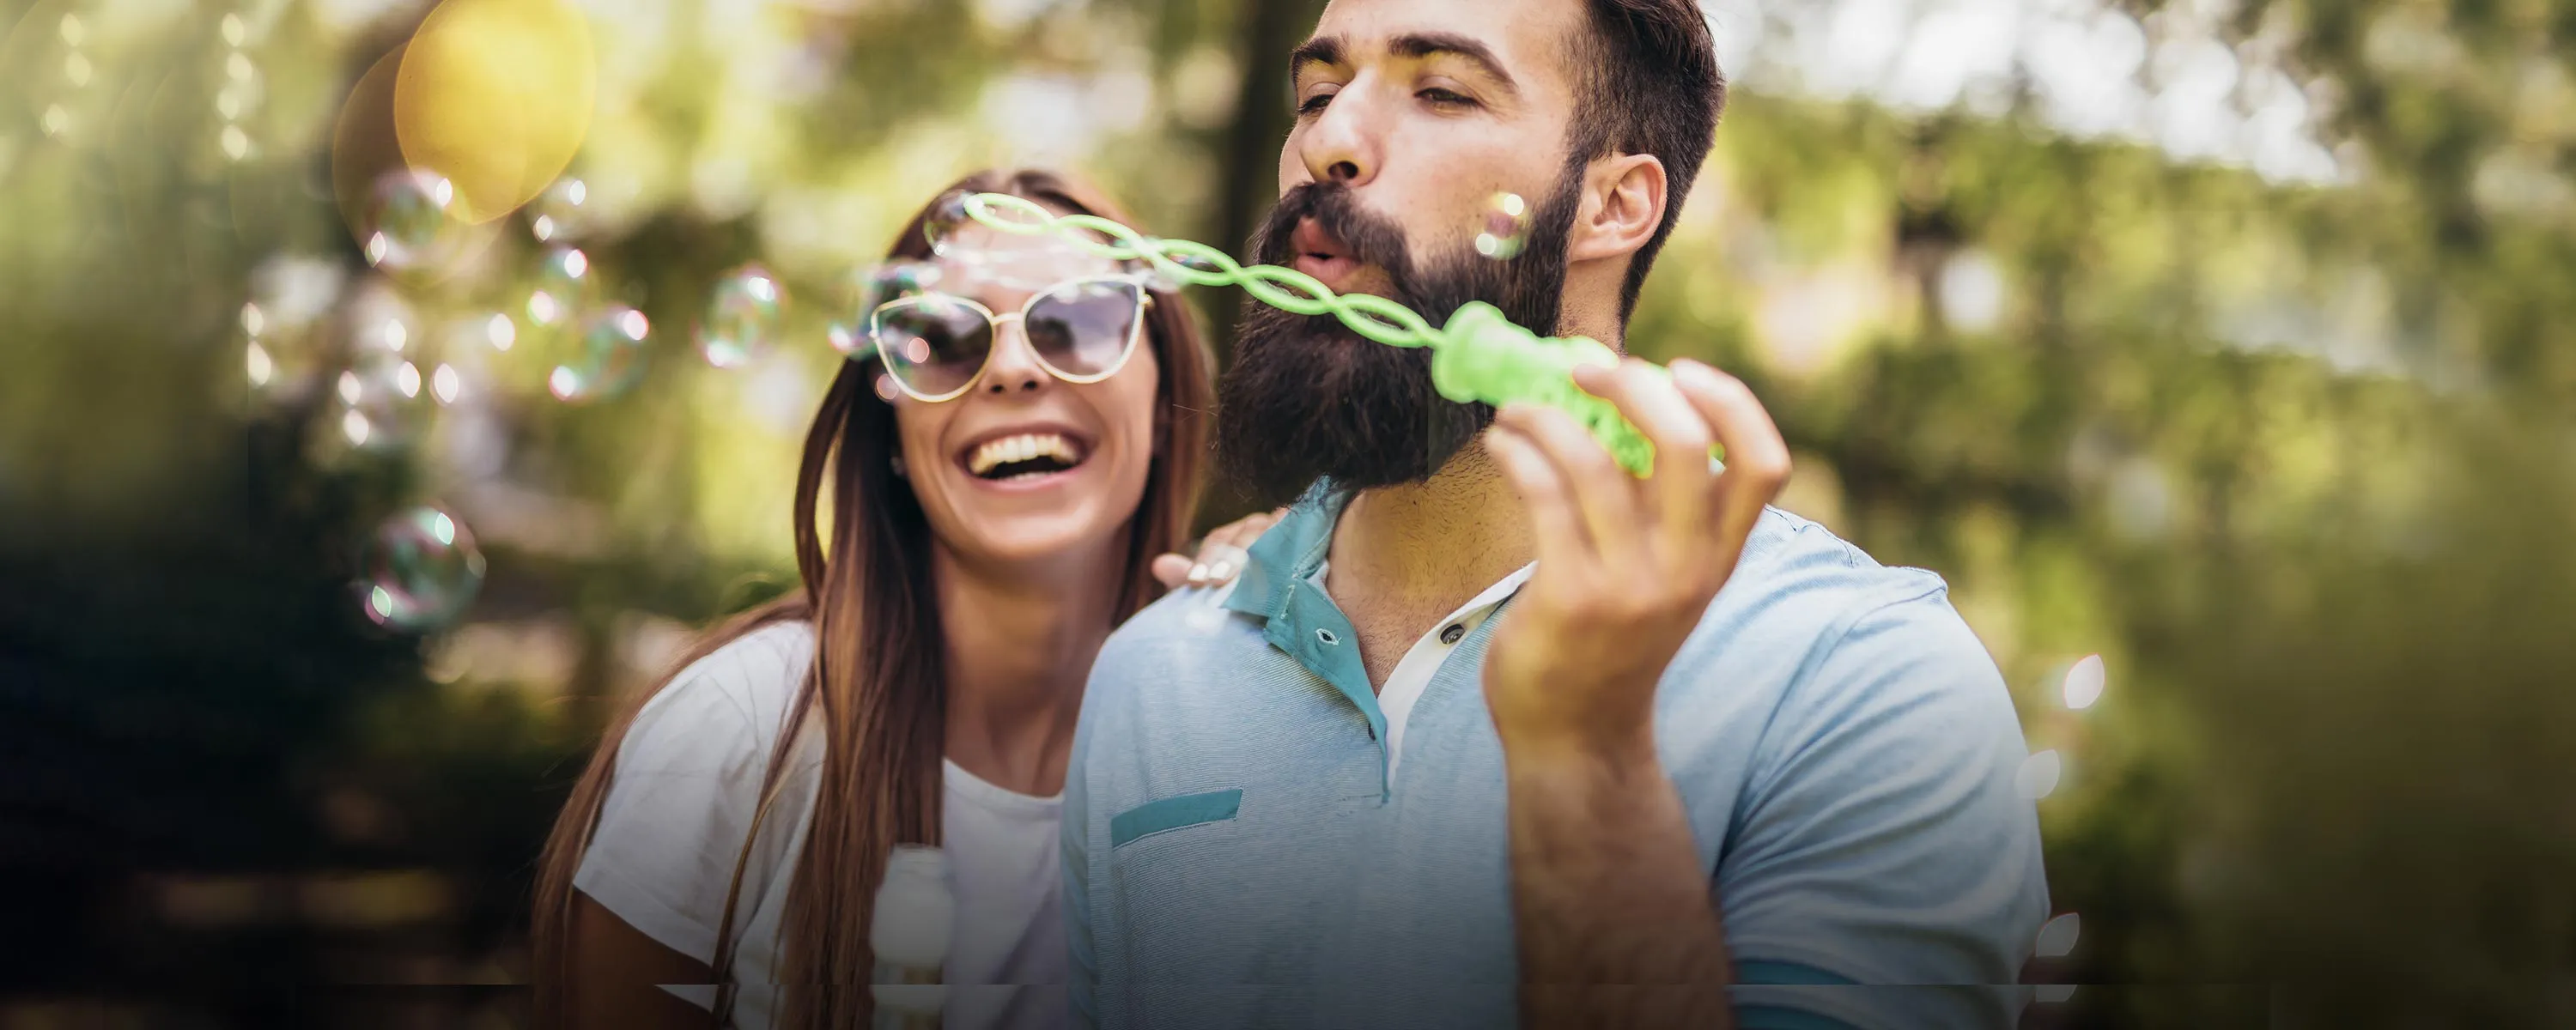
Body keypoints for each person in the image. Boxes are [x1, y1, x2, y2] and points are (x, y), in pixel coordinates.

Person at [1062, 0, 2051, 1027]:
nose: (1328, 142)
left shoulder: (1861, 679)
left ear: (1614, 204)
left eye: (1441, 89)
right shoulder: (1149, 676)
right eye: (1315, 94)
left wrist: (1587, 750)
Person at [529, 168, 1279, 1030]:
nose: (1011, 368)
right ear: (891, 435)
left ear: (1164, 400)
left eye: (1077, 322)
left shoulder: (1238, 734)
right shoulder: (744, 727)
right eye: (945, 338)